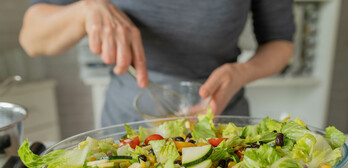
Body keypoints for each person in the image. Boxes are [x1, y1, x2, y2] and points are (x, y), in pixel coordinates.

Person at [19, 0, 294, 127]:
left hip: (221, 122)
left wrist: (242, 72)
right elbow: (32, 38)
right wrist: (83, 11)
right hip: (126, 124)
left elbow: (280, 43)